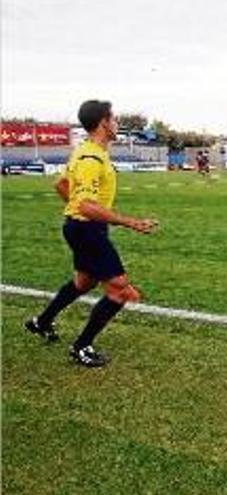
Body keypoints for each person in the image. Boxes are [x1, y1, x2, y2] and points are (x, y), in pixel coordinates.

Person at [25, 100, 158, 367]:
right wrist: (130, 222)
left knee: (84, 283)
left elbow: (61, 184)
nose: (117, 123)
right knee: (119, 291)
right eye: (114, 119)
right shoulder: (90, 157)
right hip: (87, 230)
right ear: (104, 123)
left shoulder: (87, 150)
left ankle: (42, 322)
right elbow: (86, 205)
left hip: (80, 227)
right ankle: (81, 346)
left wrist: (75, 209)